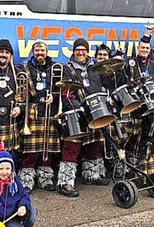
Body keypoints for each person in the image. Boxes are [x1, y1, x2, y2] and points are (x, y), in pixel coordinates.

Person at [58, 38, 109, 197]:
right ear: (73, 51)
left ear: (87, 51)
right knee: (72, 146)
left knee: (95, 143)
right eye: (78, 49)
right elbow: (66, 92)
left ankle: (91, 175)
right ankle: (65, 182)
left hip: (96, 109)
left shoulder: (95, 67)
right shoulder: (67, 68)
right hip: (78, 110)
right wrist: (77, 107)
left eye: (83, 49)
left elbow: (105, 85)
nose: (81, 52)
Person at [18, 40, 61, 191]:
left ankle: (45, 178)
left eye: (42, 50)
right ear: (32, 52)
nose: (40, 53)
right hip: (32, 110)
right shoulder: (24, 68)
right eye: (37, 51)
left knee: (46, 148)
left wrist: (54, 97)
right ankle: (26, 180)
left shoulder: (55, 67)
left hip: (49, 110)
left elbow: (61, 89)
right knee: (29, 149)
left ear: (47, 52)